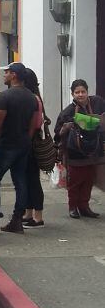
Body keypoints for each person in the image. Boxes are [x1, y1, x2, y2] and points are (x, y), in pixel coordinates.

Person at [0, 62, 38, 234]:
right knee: (20, 181)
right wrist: (26, 141)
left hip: (6, 144)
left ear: (14, 75)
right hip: (23, 144)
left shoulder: (4, 97)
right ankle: (17, 219)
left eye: (7, 72)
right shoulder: (32, 97)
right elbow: (32, 125)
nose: (4, 75)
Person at [54, 79, 105, 219]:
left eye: (83, 92)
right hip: (75, 152)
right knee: (75, 181)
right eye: (77, 92)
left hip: (94, 151)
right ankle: (73, 207)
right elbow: (58, 132)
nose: (80, 95)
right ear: (72, 94)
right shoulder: (68, 111)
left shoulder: (98, 103)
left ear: (88, 92)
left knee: (89, 180)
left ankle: (84, 207)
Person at [21, 68, 45, 228]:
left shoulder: (33, 99)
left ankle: (38, 216)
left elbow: (35, 123)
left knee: (33, 179)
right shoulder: (35, 97)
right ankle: (28, 212)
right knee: (28, 178)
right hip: (32, 139)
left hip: (31, 140)